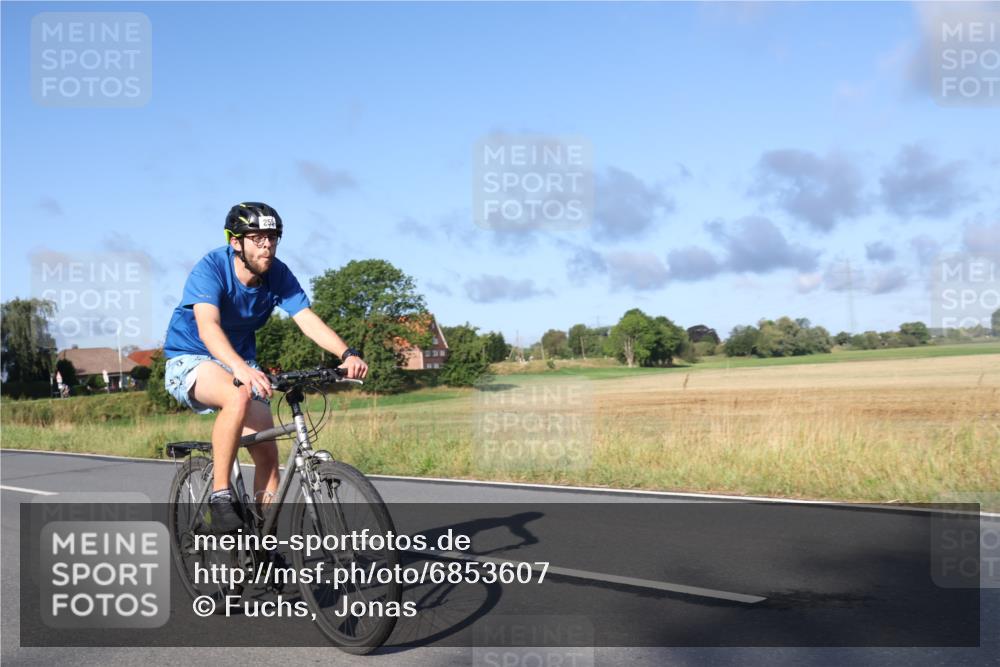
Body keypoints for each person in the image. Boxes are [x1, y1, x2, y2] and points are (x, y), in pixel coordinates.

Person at [162, 202, 367, 533]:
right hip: (192, 357)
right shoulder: (211, 268)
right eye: (257, 238)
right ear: (236, 243)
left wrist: (346, 353)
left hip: (243, 365)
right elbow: (208, 327)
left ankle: (262, 542)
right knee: (237, 396)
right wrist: (239, 368)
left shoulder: (277, 275)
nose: (267, 245)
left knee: (268, 457)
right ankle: (220, 495)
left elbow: (306, 319)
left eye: (272, 237)